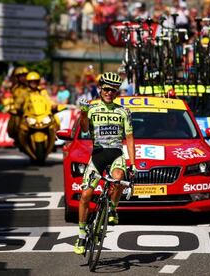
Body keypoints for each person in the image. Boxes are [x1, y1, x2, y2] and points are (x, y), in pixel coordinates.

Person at [74, 72, 136, 255]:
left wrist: (133, 162)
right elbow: (84, 129)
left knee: (118, 180)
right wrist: (83, 113)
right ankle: (82, 234)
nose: (110, 93)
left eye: (114, 90)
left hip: (116, 154)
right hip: (97, 155)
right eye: (107, 89)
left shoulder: (123, 111)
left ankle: (113, 209)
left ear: (117, 92)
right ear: (100, 89)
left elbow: (130, 138)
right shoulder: (92, 109)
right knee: (85, 194)